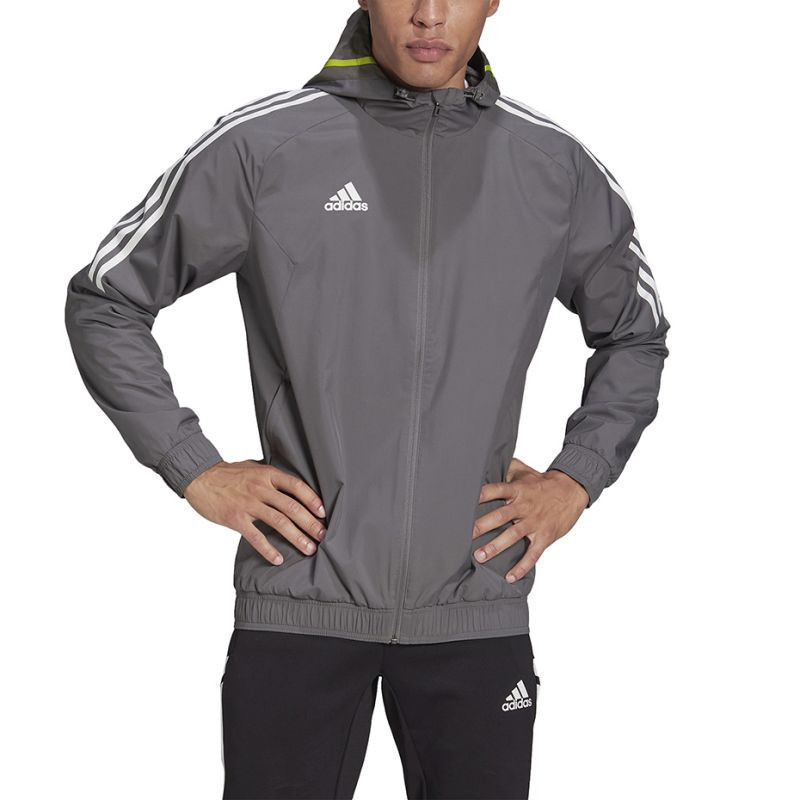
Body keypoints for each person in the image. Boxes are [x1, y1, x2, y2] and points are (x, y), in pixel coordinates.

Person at [64, 1, 669, 797]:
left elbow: (635, 333)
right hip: (300, 602)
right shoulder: (267, 146)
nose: (429, 14)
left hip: (474, 604)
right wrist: (193, 466)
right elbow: (106, 299)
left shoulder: (552, 166)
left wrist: (576, 478)